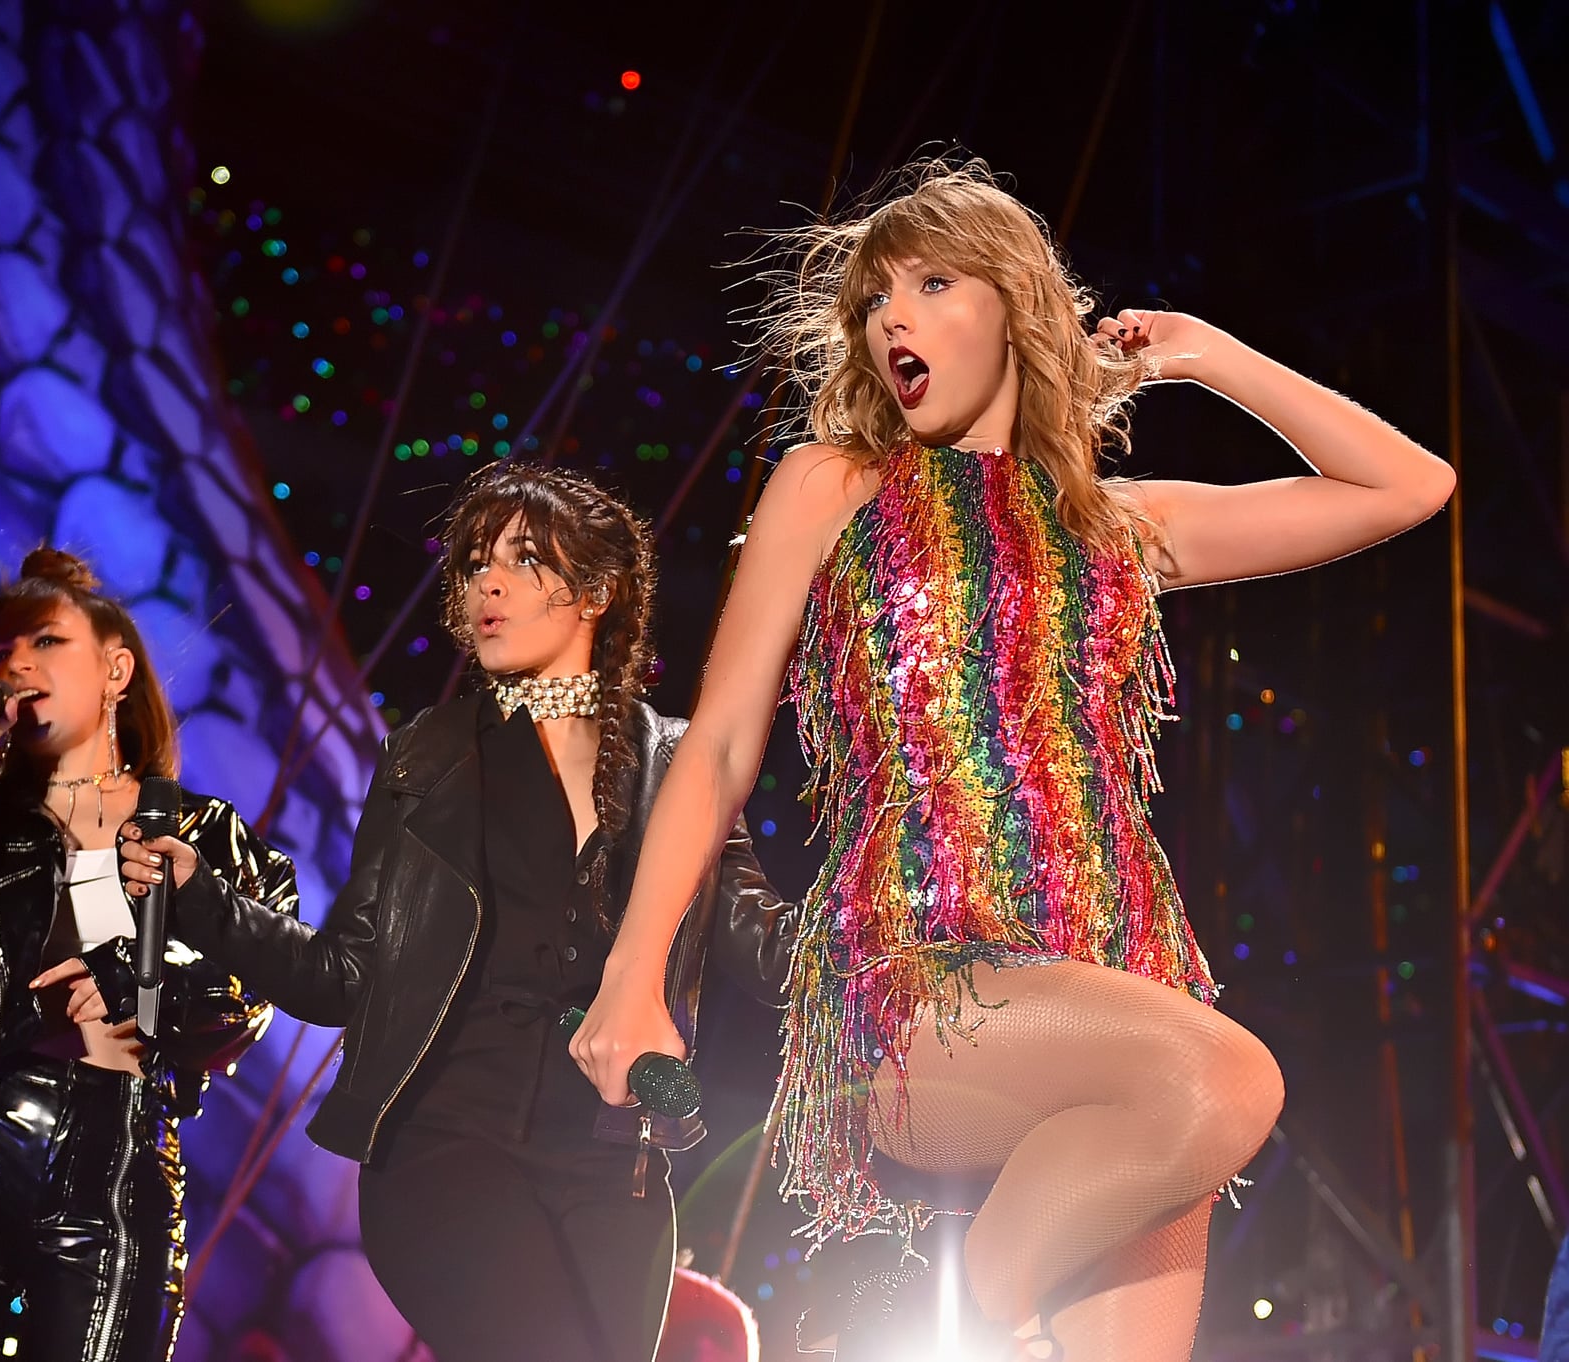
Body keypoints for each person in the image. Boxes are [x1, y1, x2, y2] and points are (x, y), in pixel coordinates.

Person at [569, 160, 1455, 1361]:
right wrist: (633, 974)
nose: (892, 317)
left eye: (932, 282)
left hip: (1116, 970)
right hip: (917, 973)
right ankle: (926, 1330)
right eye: (874, 298)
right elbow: (719, 739)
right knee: (1228, 1084)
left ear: (1016, 310)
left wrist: (1206, 356)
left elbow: (1411, 484)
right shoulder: (832, 484)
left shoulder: (1115, 519)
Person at [132, 463, 797, 1362]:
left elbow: (767, 947)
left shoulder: (677, 765)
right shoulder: (429, 754)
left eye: (522, 560)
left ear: (595, 592)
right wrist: (203, 902)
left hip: (613, 1164)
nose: (486, 581)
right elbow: (342, 978)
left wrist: (903, 930)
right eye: (476, 561)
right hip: (445, 1146)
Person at [0, 547, 299, 1362]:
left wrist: (137, 985)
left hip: (110, 1158)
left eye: (45, 642)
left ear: (116, 669)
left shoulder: (203, 834)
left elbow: (256, 983)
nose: (16, 665)